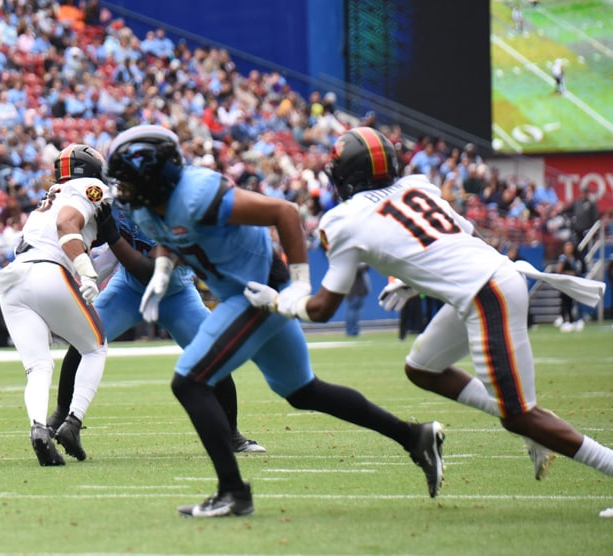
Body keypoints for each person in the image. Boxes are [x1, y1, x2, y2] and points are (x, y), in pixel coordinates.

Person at [106, 125, 444, 518]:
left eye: (127, 180)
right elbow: (168, 233)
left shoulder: (199, 194)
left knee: (190, 382)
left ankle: (233, 492)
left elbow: (284, 212)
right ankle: (414, 436)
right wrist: (163, 269)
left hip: (258, 290)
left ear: (153, 176)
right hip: (241, 292)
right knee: (304, 391)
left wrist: (300, 282)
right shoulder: (146, 205)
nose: (122, 190)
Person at [247, 126, 612, 486]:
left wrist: (281, 301)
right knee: (423, 368)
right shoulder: (416, 187)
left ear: (345, 177)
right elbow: (468, 235)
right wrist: (412, 280)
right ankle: (532, 422)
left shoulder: (343, 220)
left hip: (486, 294)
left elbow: (324, 308)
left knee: (519, 417)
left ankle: (547, 432)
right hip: (492, 281)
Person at [48, 201, 267, 454]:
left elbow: (148, 272)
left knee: (213, 353)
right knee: (85, 339)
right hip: (128, 289)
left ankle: (231, 433)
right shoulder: (116, 199)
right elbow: (92, 238)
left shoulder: (174, 210)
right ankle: (61, 415)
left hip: (174, 293)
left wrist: (113, 237)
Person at [0, 144, 112, 466]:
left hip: (13, 281)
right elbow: (67, 224)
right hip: (49, 272)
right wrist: (87, 272)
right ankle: (72, 422)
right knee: (95, 348)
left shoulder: (50, 196)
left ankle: (38, 428)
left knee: (38, 366)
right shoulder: (91, 187)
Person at [555, 240, 585, 331]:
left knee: (572, 302)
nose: (569, 248)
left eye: (570, 246)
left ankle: (573, 320)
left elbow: (580, 270)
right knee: (565, 303)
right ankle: (565, 321)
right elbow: (559, 270)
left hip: (573, 284)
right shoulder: (563, 258)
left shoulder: (576, 258)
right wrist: (569, 273)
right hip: (565, 284)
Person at [343, 263, 369, 336]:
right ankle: (352, 330)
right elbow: (361, 268)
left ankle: (352, 330)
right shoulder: (350, 264)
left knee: (354, 311)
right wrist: (367, 262)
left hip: (355, 292)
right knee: (353, 312)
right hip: (354, 292)